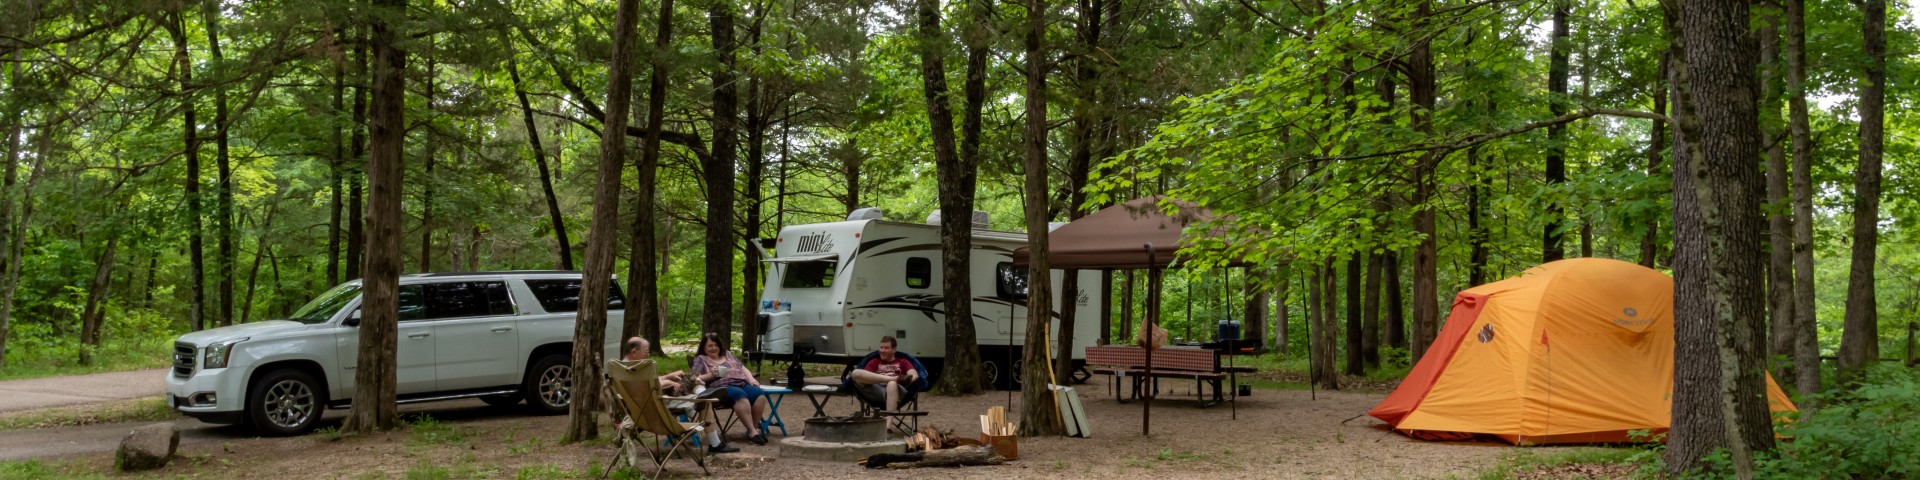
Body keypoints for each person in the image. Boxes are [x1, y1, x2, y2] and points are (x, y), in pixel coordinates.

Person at [615, 336, 736, 453]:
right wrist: (668, 382)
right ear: (634, 351)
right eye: (646, 351)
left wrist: (668, 376)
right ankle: (715, 443)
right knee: (705, 401)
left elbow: (645, 383)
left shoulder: (623, 368)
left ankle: (701, 392)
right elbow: (645, 387)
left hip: (645, 407)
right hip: (656, 407)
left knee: (689, 383)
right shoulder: (634, 369)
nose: (648, 354)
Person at [691, 333, 771, 446]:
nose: (713, 348)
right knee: (739, 394)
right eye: (710, 346)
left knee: (760, 395)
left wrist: (751, 379)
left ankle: (752, 429)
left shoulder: (728, 354)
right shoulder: (701, 359)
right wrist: (711, 375)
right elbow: (694, 379)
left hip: (741, 383)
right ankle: (753, 433)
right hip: (721, 388)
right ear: (703, 347)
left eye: (716, 345)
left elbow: (743, 368)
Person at [849, 336, 917, 412]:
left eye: (886, 348)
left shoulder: (903, 362)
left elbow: (914, 375)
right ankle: (893, 379)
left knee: (892, 384)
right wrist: (892, 379)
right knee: (855, 373)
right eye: (881, 347)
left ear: (894, 349)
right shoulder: (874, 361)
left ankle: (888, 424)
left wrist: (904, 382)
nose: (882, 350)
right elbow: (864, 378)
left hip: (895, 391)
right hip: (876, 390)